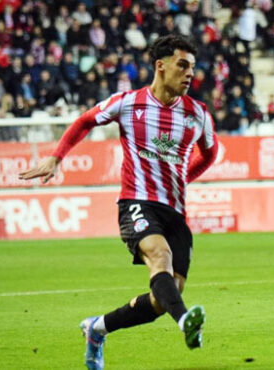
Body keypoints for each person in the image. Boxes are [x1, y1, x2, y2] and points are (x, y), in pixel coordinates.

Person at [18, 35, 218, 370]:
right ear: (161, 65)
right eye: (182, 65)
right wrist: (56, 157)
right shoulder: (129, 103)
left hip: (175, 212)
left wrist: (183, 178)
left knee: (165, 296)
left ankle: (97, 329)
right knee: (160, 256)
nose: (189, 74)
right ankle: (185, 322)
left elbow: (210, 153)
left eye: (192, 68)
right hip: (136, 202)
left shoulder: (197, 113)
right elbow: (84, 121)